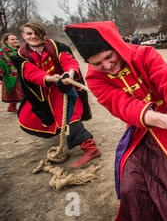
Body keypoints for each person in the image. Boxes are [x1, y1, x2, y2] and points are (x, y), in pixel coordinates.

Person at [64, 21, 167, 221]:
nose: (106, 66)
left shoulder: (144, 55)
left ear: (116, 45)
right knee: (130, 188)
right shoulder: (94, 78)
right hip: (142, 132)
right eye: (97, 63)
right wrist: (164, 121)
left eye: (108, 57)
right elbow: (123, 107)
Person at [11, 22, 100, 168]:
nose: (33, 36)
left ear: (43, 34)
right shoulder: (20, 56)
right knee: (30, 117)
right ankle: (64, 134)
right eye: (29, 33)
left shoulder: (56, 46)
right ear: (23, 36)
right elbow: (30, 72)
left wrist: (69, 73)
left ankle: (91, 148)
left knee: (69, 118)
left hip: (63, 88)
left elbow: (69, 61)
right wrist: (50, 78)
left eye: (37, 33)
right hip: (43, 91)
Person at [0, 33, 23, 113]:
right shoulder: (3, 52)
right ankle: (12, 107)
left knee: (20, 91)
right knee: (14, 92)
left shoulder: (20, 49)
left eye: (16, 39)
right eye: (12, 39)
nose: (15, 41)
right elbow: (1, 64)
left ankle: (12, 107)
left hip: (21, 73)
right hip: (10, 75)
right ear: (6, 41)